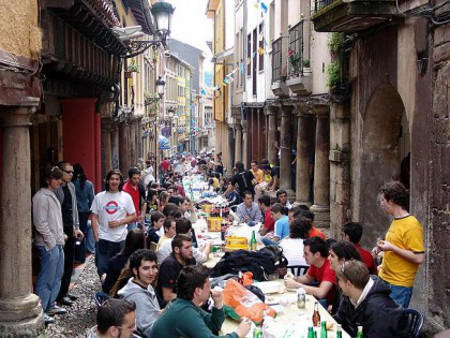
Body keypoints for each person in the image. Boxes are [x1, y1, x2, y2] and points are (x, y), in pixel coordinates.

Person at [151, 265, 252, 338]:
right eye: (208, 285)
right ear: (198, 291)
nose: (210, 288)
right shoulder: (184, 312)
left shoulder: (185, 304)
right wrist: (238, 333)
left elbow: (214, 325)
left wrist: (218, 304)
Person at [374, 181, 424, 307]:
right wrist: (381, 250)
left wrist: (391, 247)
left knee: (392, 324)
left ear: (391, 201)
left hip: (398, 285)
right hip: (385, 278)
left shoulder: (411, 225)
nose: (381, 204)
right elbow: (397, 246)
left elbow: (419, 257)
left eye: (383, 200)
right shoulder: (396, 221)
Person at [333, 260, 409, 338]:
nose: (339, 284)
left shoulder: (377, 310)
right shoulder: (351, 296)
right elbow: (338, 320)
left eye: (340, 280)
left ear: (349, 284)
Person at [32, 165, 67, 324]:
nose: (60, 181)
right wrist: (51, 242)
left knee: (56, 275)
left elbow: (54, 221)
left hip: (56, 242)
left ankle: (50, 304)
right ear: (48, 180)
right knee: (46, 277)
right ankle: (41, 309)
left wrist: (59, 238)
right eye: (56, 178)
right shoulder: (40, 197)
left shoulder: (52, 195)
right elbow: (40, 223)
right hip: (48, 244)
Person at [91, 169, 137, 278]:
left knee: (121, 268)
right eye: (112, 179)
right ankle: (106, 291)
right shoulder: (99, 197)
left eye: (117, 179)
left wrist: (120, 222)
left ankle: (116, 291)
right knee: (102, 268)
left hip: (121, 239)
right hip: (104, 238)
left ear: (120, 181)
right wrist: (96, 236)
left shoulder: (126, 197)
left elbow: (134, 216)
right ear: (107, 181)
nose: (114, 182)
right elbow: (94, 216)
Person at [55, 161, 84, 306]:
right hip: (60, 229)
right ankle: (59, 294)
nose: (72, 174)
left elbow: (74, 209)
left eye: (72, 172)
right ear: (60, 172)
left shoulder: (71, 186)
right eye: (69, 172)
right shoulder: (57, 188)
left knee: (69, 262)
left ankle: (65, 291)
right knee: (61, 262)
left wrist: (77, 226)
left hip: (70, 228)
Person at [118, 249, 161, 337]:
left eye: (153, 267)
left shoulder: (145, 284)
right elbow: (150, 331)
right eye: (146, 268)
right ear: (135, 270)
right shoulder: (136, 297)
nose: (151, 273)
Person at [284, 237, 336, 306]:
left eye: (306, 253)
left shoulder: (329, 267)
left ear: (317, 255)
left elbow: (321, 293)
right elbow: (307, 278)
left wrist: (296, 285)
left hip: (328, 306)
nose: (303, 256)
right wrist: (293, 278)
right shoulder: (315, 263)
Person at [102, 230, 146, 294]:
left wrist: (104, 279)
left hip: (118, 297)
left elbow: (107, 288)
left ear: (126, 241)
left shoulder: (114, 261)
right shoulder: (146, 262)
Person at [157, 234, 197, 303]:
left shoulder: (191, 260)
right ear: (176, 249)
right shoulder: (169, 266)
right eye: (187, 247)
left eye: (191, 246)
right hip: (173, 304)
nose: (191, 250)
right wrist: (192, 298)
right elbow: (167, 296)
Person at [73, 163, 95, 259]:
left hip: (74, 211)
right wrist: (92, 213)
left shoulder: (71, 184)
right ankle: (82, 255)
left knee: (75, 232)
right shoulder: (89, 184)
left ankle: (77, 254)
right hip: (85, 211)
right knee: (83, 231)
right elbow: (92, 199)